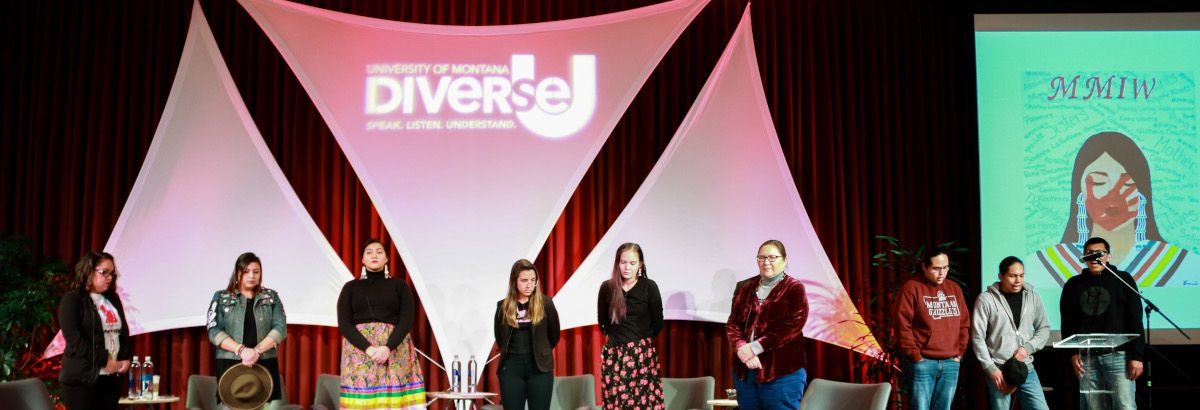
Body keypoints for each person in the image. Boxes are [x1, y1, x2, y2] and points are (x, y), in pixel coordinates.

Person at [1028, 131, 1197, 289]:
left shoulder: (1181, 263)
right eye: (1099, 182)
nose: (1114, 197)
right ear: (1080, 192)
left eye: (1128, 184)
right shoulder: (1043, 264)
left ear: (1142, 193)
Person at [337, 239, 425, 409]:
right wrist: (369, 349)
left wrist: (387, 348)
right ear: (362, 259)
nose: (374, 255)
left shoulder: (400, 285)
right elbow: (344, 324)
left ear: (386, 259)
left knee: (394, 401)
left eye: (379, 252)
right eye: (369, 252)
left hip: (395, 349)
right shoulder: (350, 288)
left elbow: (406, 320)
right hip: (359, 352)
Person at [1061, 237, 1145, 410]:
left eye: (1099, 253)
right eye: (1089, 254)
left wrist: (1137, 356)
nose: (1094, 257)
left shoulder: (1123, 280)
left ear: (1109, 256)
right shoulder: (1073, 285)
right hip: (1086, 359)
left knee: (1125, 405)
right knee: (1092, 407)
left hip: (1119, 356)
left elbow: (1135, 319)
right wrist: (1072, 353)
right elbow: (1067, 323)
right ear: (1084, 258)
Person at [725, 240, 809, 409]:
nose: (766, 262)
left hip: (781, 372)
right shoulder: (745, 287)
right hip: (746, 372)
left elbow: (792, 326)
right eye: (761, 257)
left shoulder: (794, 288)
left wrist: (754, 348)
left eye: (772, 257)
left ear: (784, 260)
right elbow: (733, 323)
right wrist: (742, 347)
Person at [206, 252, 287, 406]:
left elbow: (280, 328)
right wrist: (242, 350)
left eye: (256, 272)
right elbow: (213, 330)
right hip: (230, 364)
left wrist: (256, 351)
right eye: (246, 271)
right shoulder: (221, 297)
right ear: (238, 273)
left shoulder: (271, 297)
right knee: (231, 405)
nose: (252, 276)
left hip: (264, 362)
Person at [970, 256, 1051, 410]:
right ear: (1001, 276)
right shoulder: (986, 299)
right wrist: (990, 368)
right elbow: (977, 338)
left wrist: (1027, 348)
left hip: (1025, 367)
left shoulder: (1032, 296)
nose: (1018, 280)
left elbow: (1044, 328)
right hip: (998, 370)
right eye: (1013, 276)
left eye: (1021, 275)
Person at [894, 250, 970, 410]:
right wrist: (915, 355)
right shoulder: (911, 288)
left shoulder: (954, 288)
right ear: (924, 267)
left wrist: (959, 352)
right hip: (923, 362)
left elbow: (964, 323)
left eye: (946, 267)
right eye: (936, 268)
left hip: (951, 362)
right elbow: (902, 325)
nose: (942, 273)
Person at [59, 251, 132, 410]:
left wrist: (126, 357)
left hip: (111, 378)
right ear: (89, 271)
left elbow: (123, 332)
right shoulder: (72, 300)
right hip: (82, 379)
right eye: (104, 272)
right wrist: (105, 360)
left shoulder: (112, 299)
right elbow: (75, 342)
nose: (109, 277)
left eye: (112, 273)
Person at [597, 243, 665, 409]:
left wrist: (638, 344)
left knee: (644, 404)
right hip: (614, 356)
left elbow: (658, 323)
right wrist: (613, 346)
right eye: (623, 262)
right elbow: (603, 322)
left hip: (642, 355)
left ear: (640, 264)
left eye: (632, 263)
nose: (627, 267)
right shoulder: (607, 288)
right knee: (616, 404)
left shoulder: (649, 287)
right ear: (617, 263)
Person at [494, 259, 561, 410]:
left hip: (539, 368)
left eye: (533, 280)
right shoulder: (502, 307)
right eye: (524, 280)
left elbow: (554, 335)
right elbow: (500, 338)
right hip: (511, 369)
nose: (529, 284)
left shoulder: (546, 303)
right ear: (514, 281)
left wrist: (541, 351)